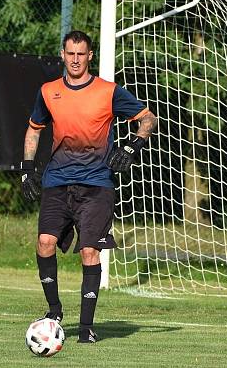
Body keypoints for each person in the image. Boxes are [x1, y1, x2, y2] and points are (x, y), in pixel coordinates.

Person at [21, 30, 157, 343]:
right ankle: (54, 311)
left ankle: (85, 329)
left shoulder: (108, 92)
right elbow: (33, 129)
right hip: (57, 181)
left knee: (89, 251)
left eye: (81, 54)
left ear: (90, 55)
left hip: (97, 185)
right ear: (63, 54)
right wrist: (27, 169)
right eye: (71, 54)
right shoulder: (48, 91)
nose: (76, 60)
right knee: (44, 242)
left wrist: (133, 145)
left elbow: (148, 119)